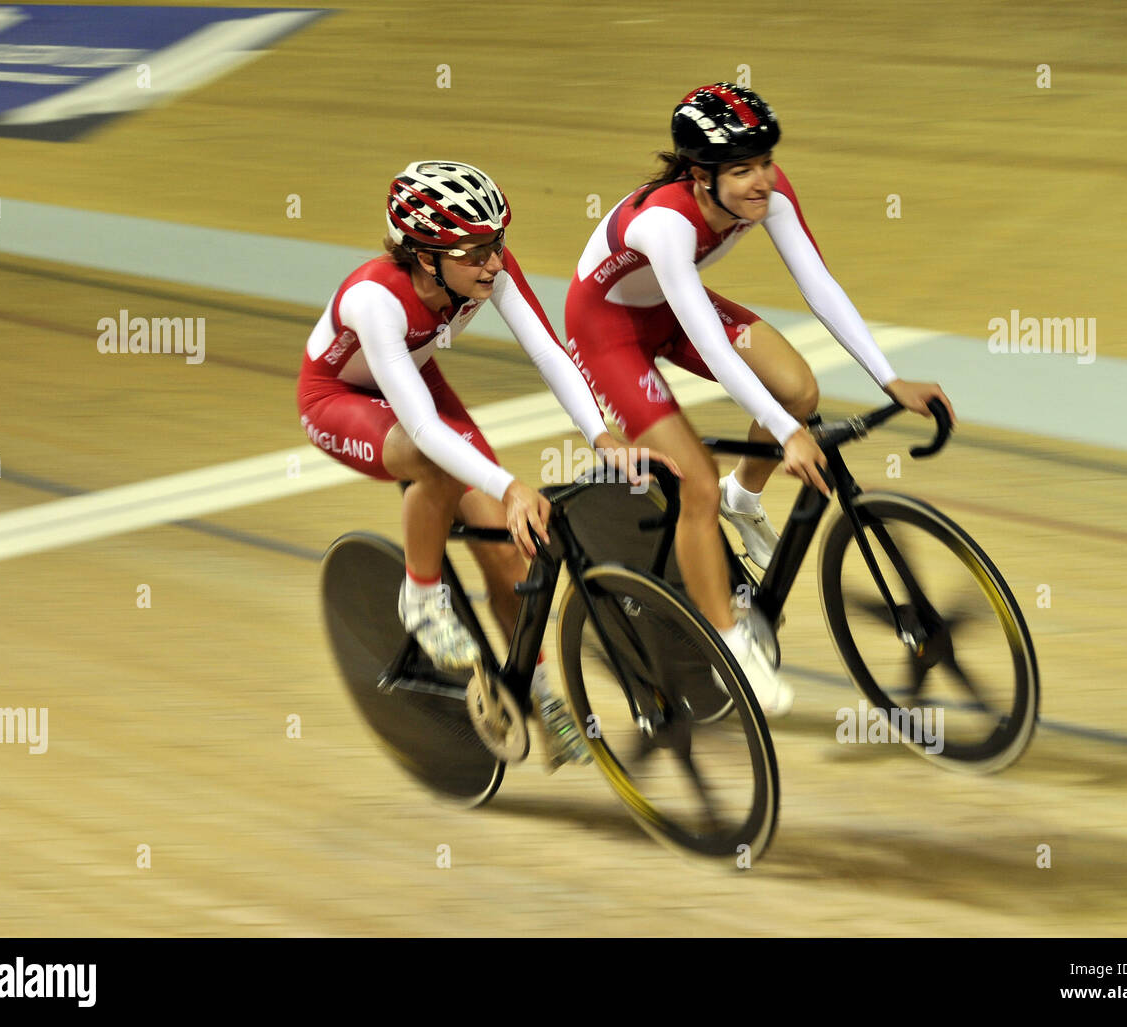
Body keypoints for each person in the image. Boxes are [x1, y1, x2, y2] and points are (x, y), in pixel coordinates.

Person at [564, 83, 956, 718]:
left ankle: (742, 497)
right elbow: (713, 348)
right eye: (742, 169)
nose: (761, 181)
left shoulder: (766, 193)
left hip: (663, 309)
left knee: (799, 388)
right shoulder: (665, 224)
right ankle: (731, 643)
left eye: (766, 162)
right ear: (700, 176)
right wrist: (783, 431)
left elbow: (819, 285)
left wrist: (889, 378)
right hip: (606, 329)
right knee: (692, 478)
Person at [298, 159, 675, 770]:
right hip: (339, 401)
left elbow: (549, 352)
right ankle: (421, 599)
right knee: (439, 464)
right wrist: (512, 484)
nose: (494, 264)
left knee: (509, 545)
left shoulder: (480, 265)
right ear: (426, 257)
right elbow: (421, 428)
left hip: (414, 380)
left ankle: (544, 694)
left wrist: (602, 436)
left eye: (497, 244)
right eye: (476, 253)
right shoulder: (376, 298)